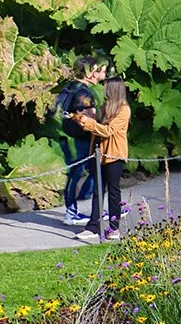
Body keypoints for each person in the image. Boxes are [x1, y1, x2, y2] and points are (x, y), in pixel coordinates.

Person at [73, 76, 132, 243]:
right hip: (98, 155)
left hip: (114, 155)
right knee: (98, 191)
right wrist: (83, 118)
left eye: (106, 87)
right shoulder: (105, 107)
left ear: (113, 89)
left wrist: (88, 122)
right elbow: (96, 126)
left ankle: (114, 228)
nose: (104, 90)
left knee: (113, 191)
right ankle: (93, 227)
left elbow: (108, 131)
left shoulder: (124, 110)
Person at [56, 57, 107, 226]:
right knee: (89, 172)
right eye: (99, 70)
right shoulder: (84, 93)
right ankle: (76, 212)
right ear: (90, 72)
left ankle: (73, 210)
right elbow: (90, 117)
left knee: (74, 174)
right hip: (80, 138)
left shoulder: (70, 86)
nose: (101, 74)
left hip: (67, 136)